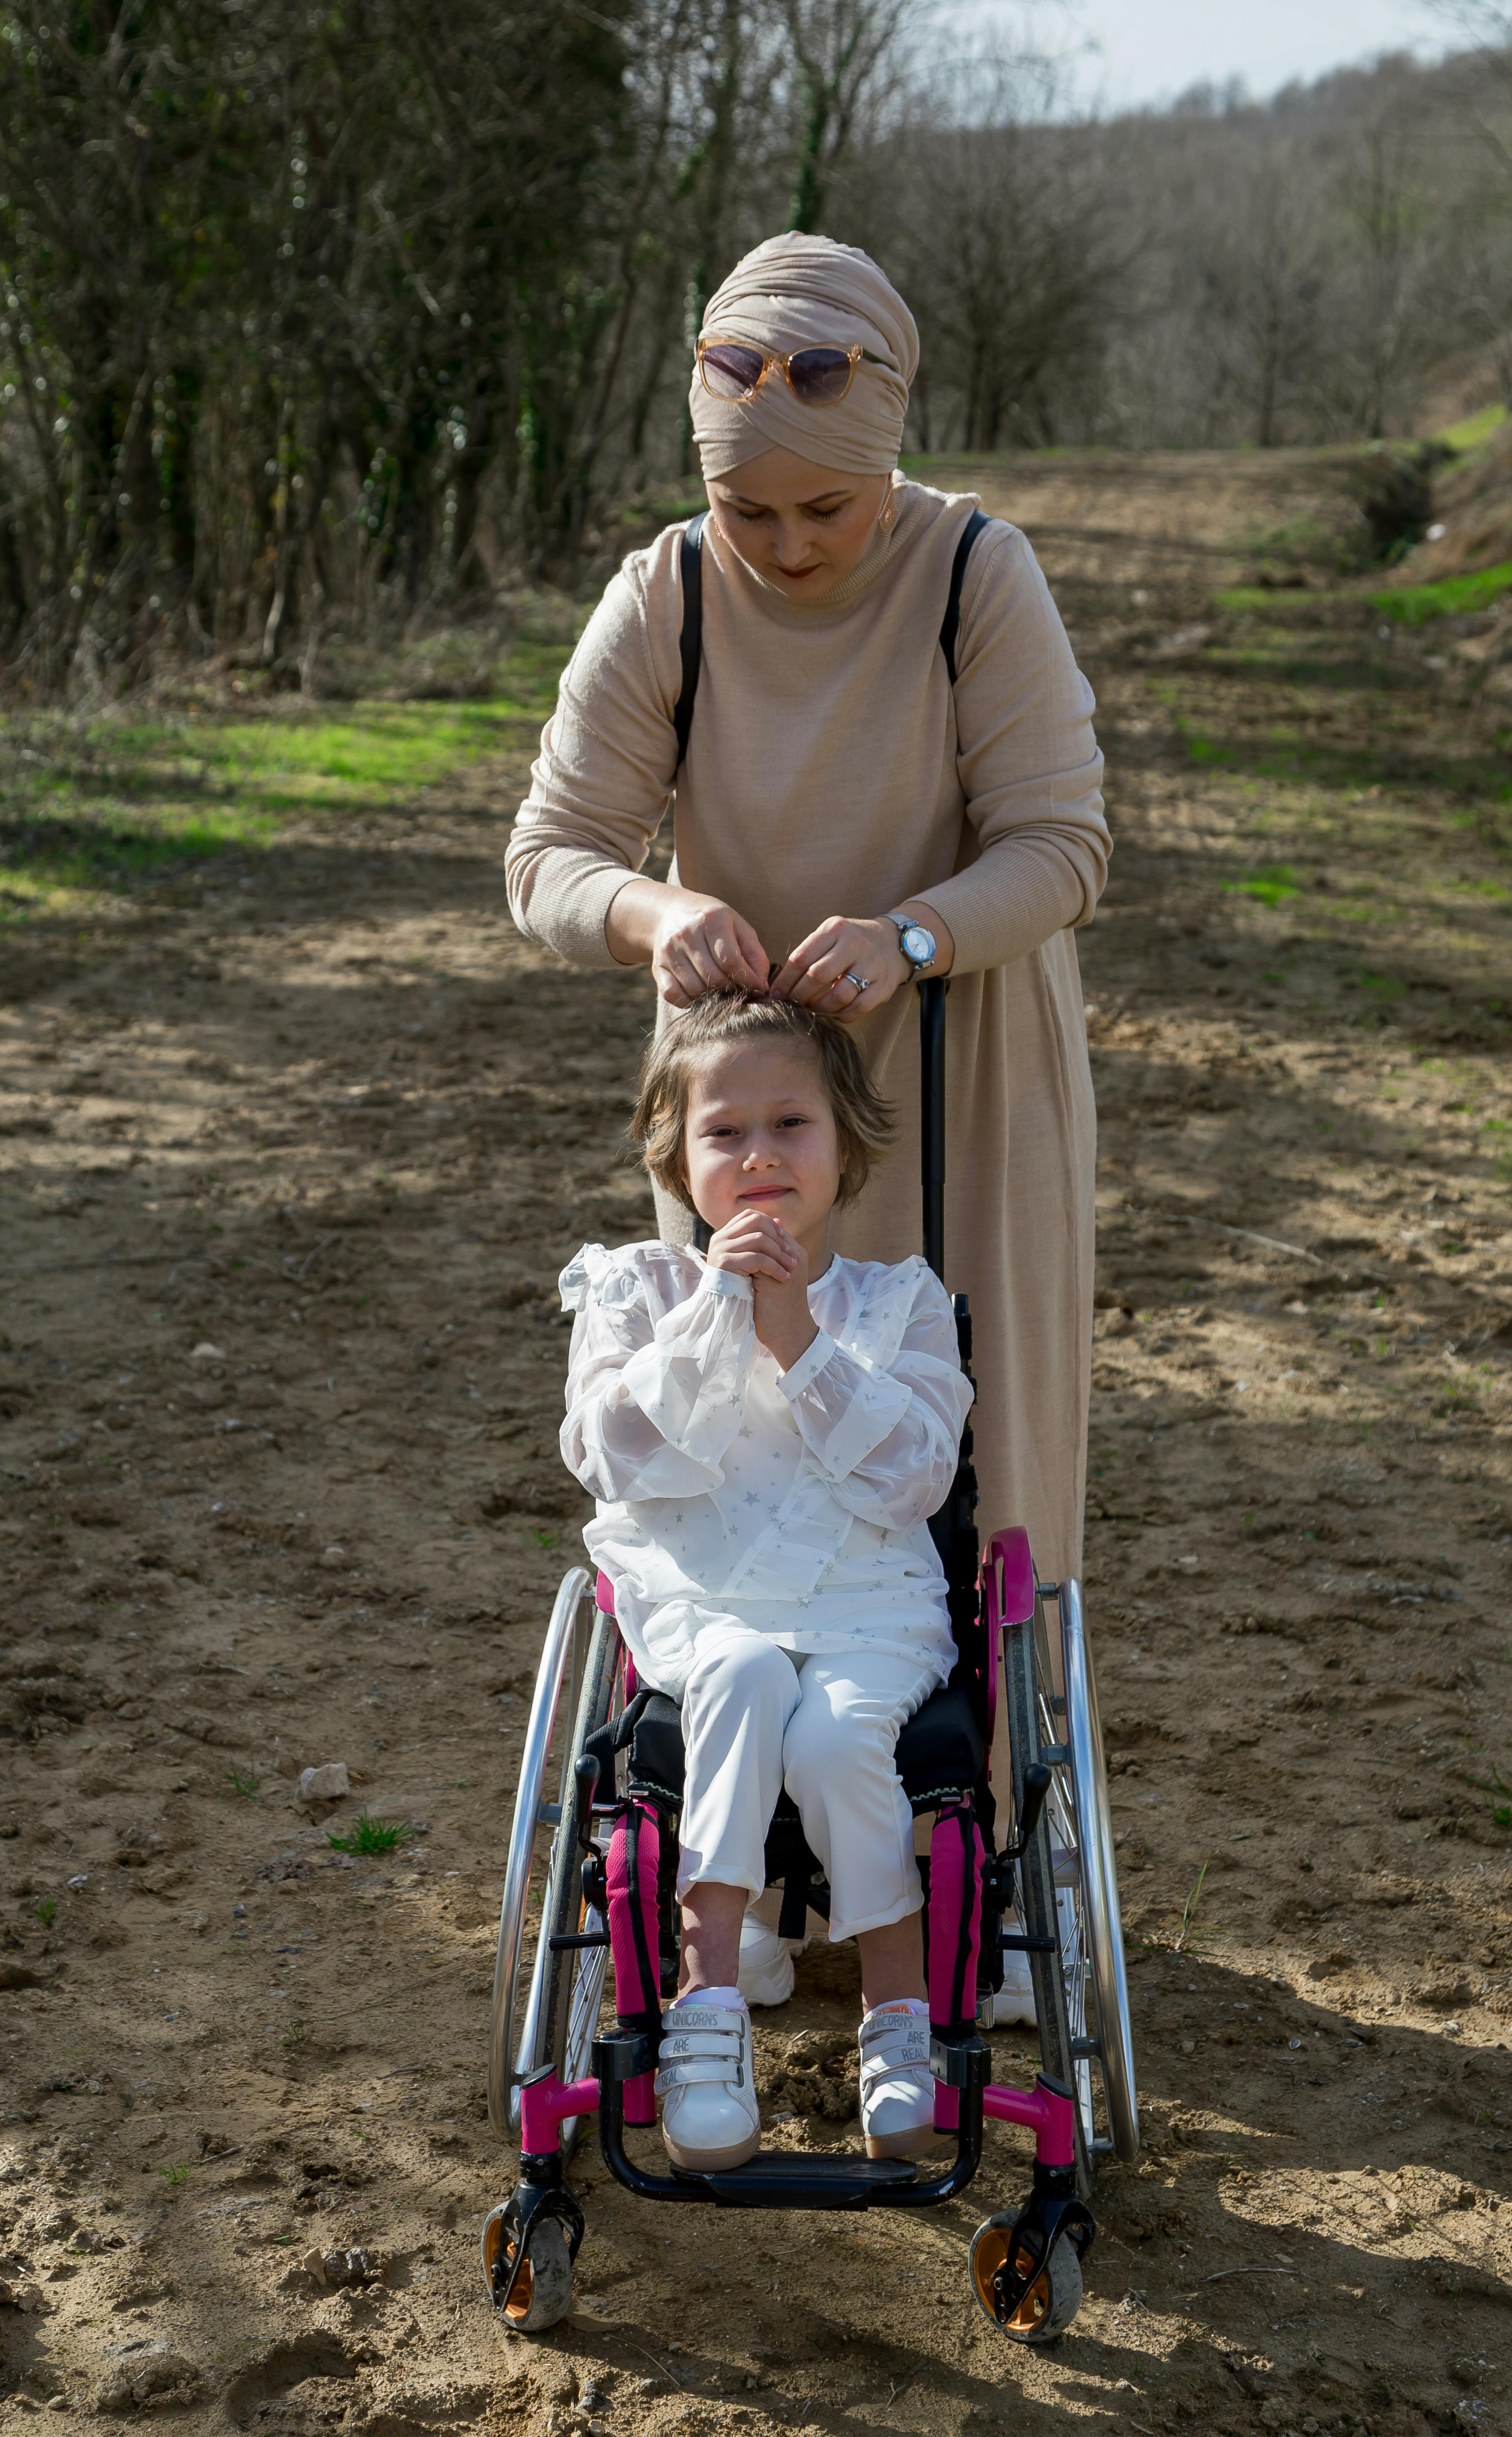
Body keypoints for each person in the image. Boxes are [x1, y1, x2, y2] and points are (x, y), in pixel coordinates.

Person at [507, 232, 1109, 2020]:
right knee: (744, 1447)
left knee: (965, 1459)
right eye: (749, 517)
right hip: (756, 1095)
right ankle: (743, 1877)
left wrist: (916, 930)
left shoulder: (974, 575)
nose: (782, 550)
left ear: (883, 469)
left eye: (818, 518)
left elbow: (1065, 845)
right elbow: (548, 856)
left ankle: (960, 1873)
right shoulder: (667, 598)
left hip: (960, 1062)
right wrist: (646, 918)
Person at [559, 991, 973, 2171]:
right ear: (675, 1159)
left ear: (843, 1148)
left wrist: (790, 1326)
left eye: (789, 1124)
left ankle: (899, 2016)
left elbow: (913, 1479)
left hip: (868, 1605)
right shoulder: (639, 1292)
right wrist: (719, 1316)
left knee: (842, 1741)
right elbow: (613, 1458)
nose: (757, 1156)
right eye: (723, 1132)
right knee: (738, 1676)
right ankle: (706, 2004)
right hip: (706, 1600)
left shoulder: (897, 1303)